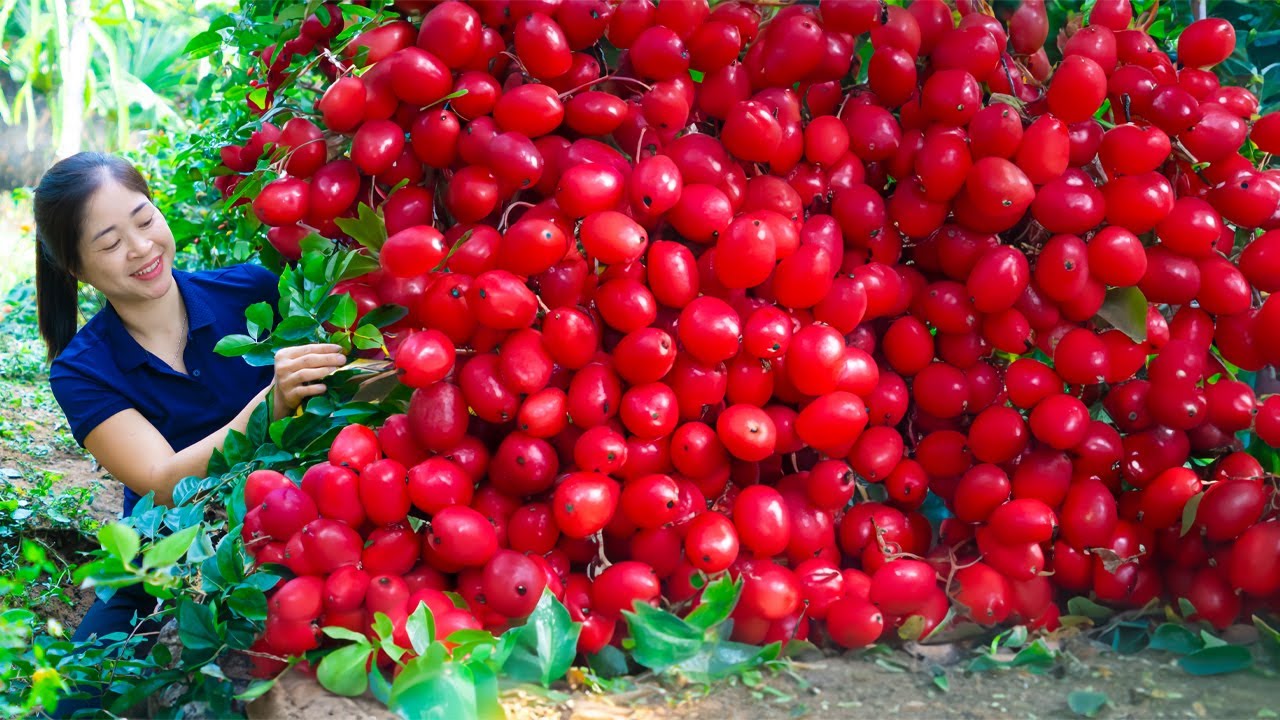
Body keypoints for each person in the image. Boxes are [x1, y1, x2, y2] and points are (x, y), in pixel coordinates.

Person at [33, 152, 347, 716]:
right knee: (73, 702)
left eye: (145, 218)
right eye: (109, 243)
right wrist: (268, 404)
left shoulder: (252, 290)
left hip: (294, 527)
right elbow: (159, 481)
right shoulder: (82, 369)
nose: (141, 248)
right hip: (162, 563)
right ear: (75, 268)